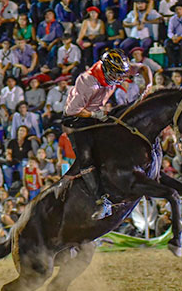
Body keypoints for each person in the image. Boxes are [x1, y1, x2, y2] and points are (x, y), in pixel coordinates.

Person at [63, 48, 152, 219]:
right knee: (86, 157)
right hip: (77, 119)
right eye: (117, 75)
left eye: (122, 74)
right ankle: (100, 200)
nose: (120, 79)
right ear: (106, 70)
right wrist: (94, 114)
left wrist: (148, 86)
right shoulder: (88, 81)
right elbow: (72, 110)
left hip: (97, 111)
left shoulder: (118, 69)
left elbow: (143, 68)